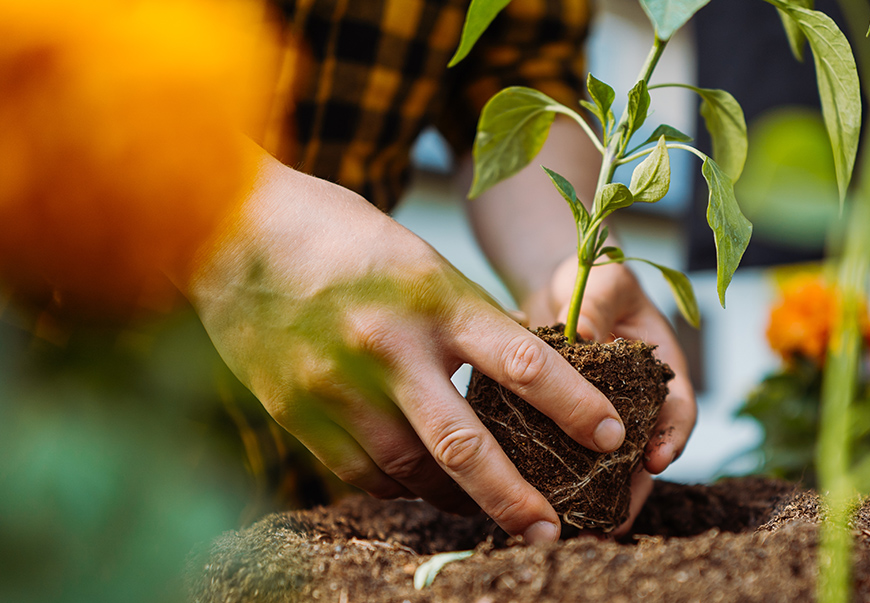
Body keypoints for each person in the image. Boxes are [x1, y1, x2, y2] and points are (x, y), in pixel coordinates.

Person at [183, 0, 696, 542]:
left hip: (339, 422)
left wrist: (568, 262)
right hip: (103, 360)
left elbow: (516, 81)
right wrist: (230, 223)